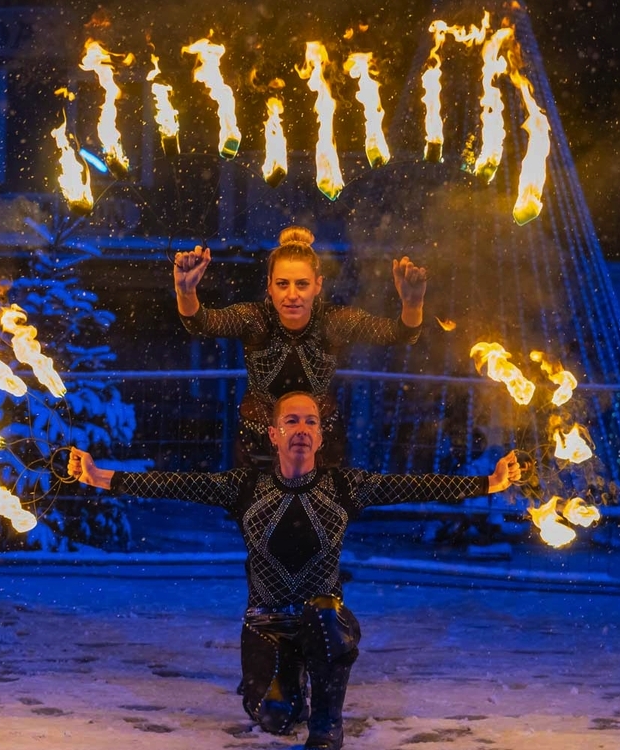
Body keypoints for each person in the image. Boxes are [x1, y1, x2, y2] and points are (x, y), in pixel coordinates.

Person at [68, 391, 520, 750]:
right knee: (271, 718)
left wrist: (489, 483)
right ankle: (290, 688)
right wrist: (99, 476)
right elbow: (174, 483)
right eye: (291, 421)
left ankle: (327, 729)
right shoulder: (244, 486)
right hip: (266, 622)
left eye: (310, 422)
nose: (301, 429)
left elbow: (415, 484)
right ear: (273, 434)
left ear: (321, 437)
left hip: (321, 620)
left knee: (325, 617)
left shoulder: (346, 485)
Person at [173, 226, 429, 467]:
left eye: (302, 284)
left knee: (321, 513)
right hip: (259, 443)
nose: (292, 294)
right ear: (270, 286)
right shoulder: (254, 319)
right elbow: (202, 323)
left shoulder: (333, 322)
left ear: (318, 285)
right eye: (283, 284)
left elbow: (400, 334)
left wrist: (413, 305)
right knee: (259, 513)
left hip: (320, 443)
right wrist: (186, 292)